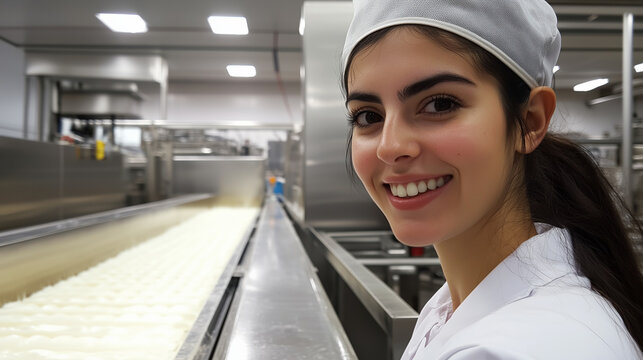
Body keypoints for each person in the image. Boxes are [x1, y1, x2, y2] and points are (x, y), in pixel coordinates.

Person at [340, 0, 643, 359]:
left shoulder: (526, 347)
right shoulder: (455, 305)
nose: (390, 147)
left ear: (530, 122)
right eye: (367, 116)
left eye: (439, 104)